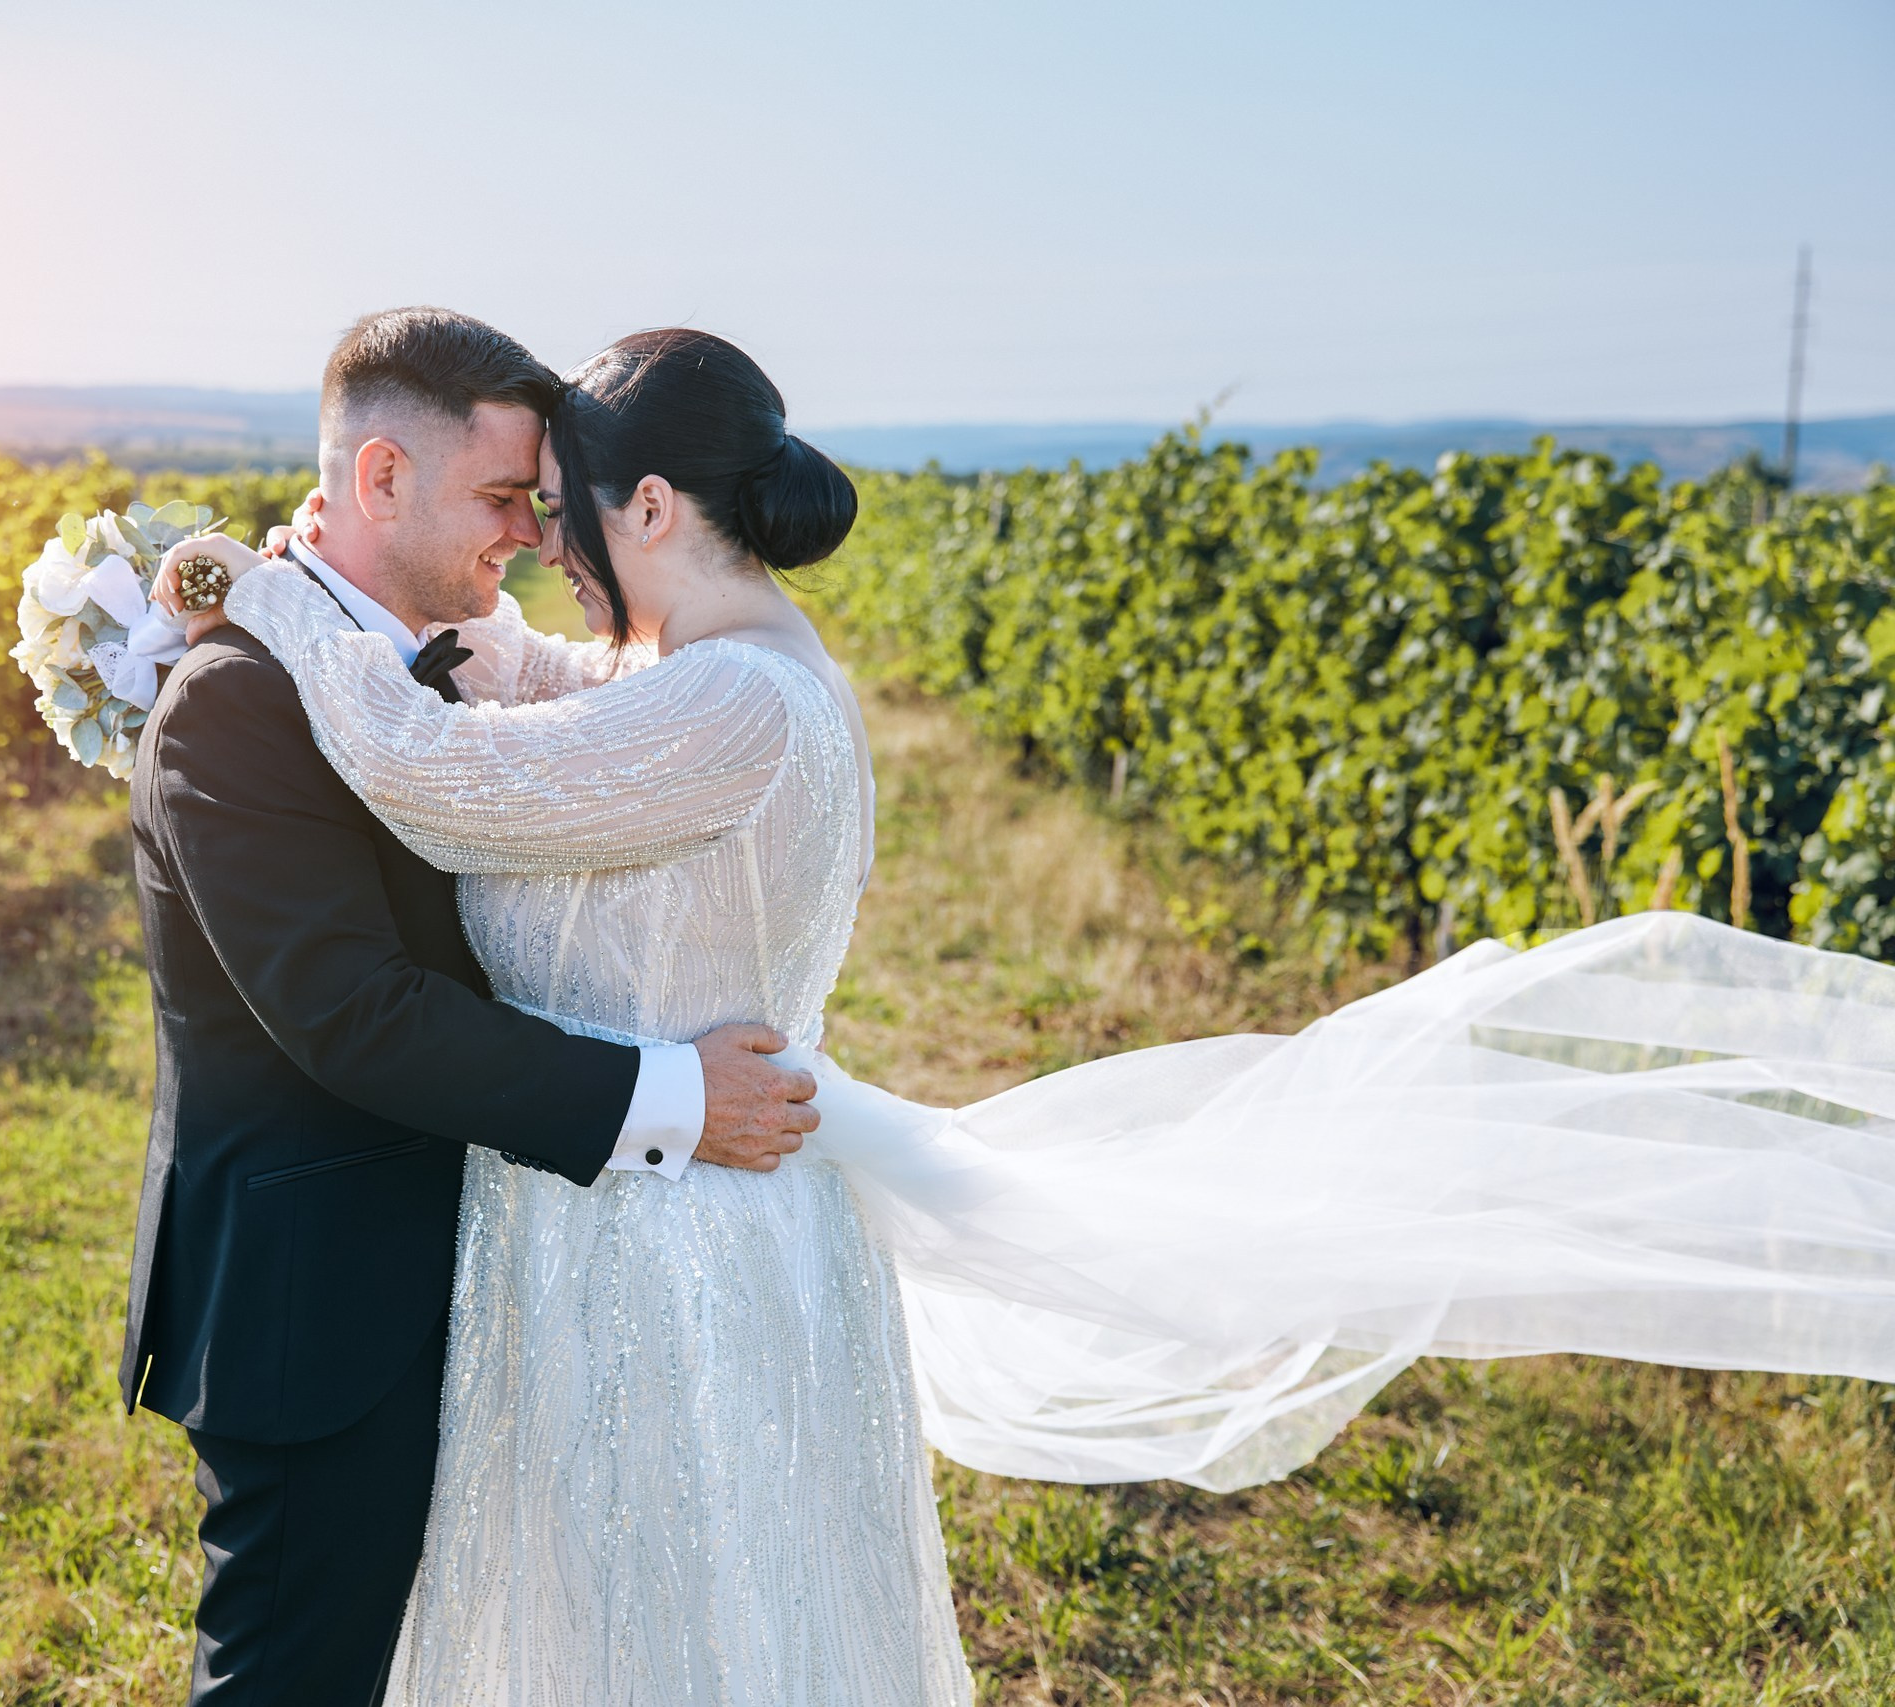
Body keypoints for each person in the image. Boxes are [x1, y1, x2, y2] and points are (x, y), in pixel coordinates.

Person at [166, 327, 1895, 1706]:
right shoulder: (713, 671)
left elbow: (436, 774)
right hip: (624, 1230)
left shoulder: (725, 711)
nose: (542, 548)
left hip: (675, 1252)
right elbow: (529, 684)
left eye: (565, 513)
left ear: (657, 514)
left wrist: (263, 596)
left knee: (681, 1628)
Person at [122, 308, 822, 1707]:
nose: (527, 535)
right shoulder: (237, 699)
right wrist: (673, 1097)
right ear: (380, 479)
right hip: (324, 1305)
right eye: (503, 498)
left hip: (507, 1272)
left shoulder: (441, 664)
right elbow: (355, 1014)